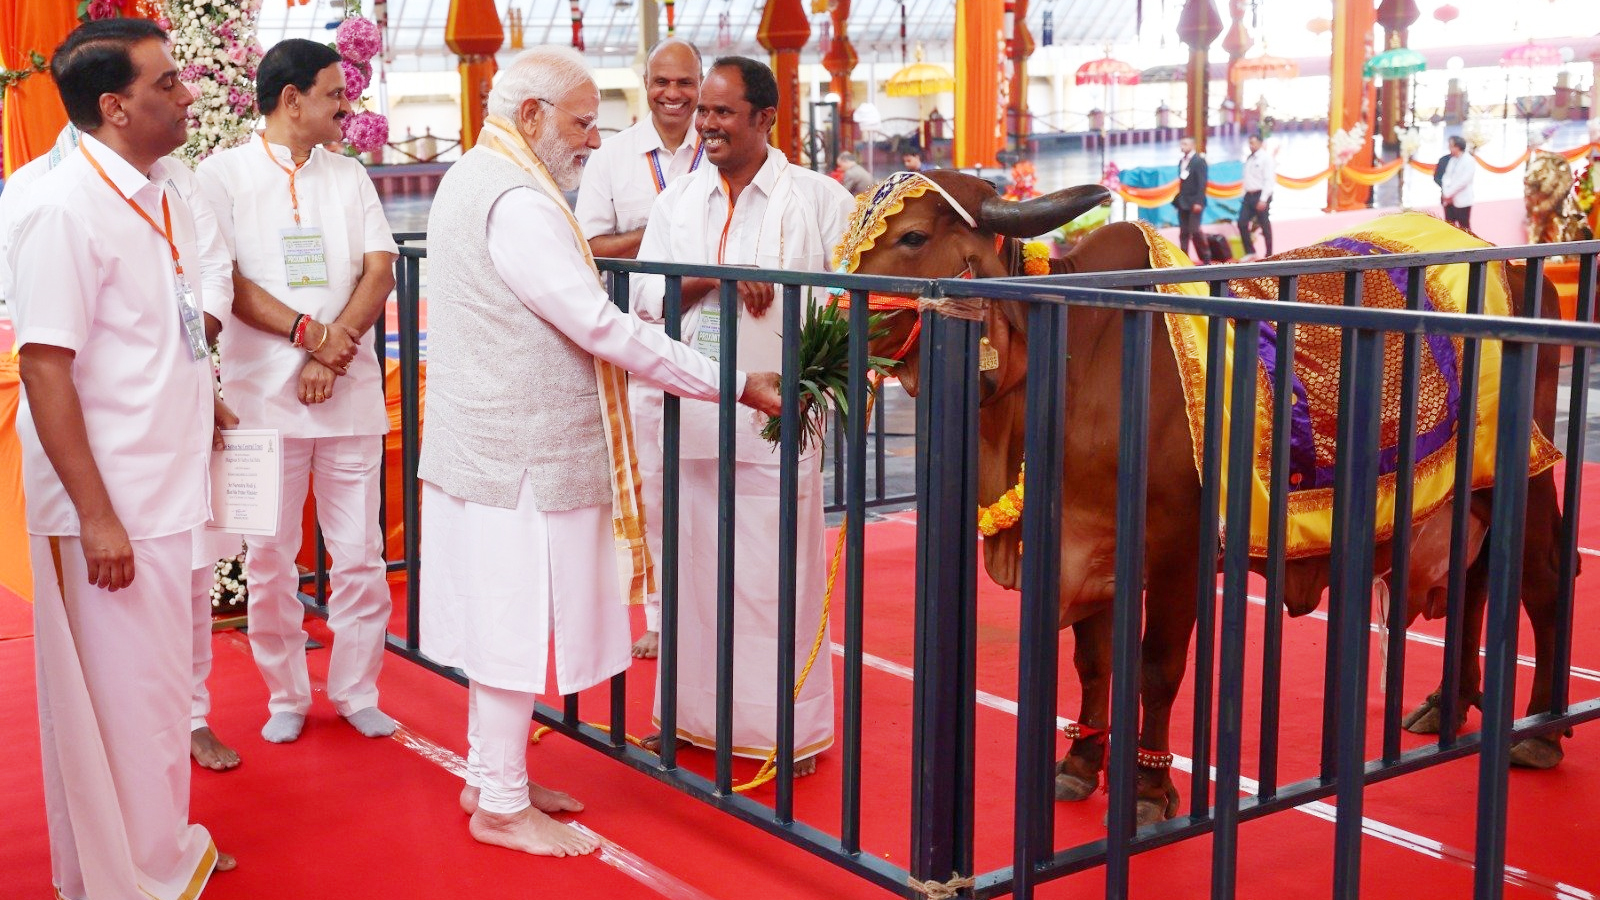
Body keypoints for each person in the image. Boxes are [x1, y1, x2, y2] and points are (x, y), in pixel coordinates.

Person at [417, 45, 782, 858]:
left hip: (489, 441)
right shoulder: (516, 200)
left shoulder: (480, 175)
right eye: (582, 123)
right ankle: (504, 804)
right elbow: (600, 326)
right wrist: (730, 381)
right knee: (510, 623)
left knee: (497, 618)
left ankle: (492, 773)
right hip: (519, 451)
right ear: (533, 116)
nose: (592, 140)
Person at [8, 18, 239, 897]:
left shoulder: (156, 188)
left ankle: (156, 855)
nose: (188, 96)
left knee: (150, 700)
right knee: (116, 708)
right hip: (111, 503)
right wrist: (97, 515)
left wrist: (201, 396)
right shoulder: (64, 205)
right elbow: (44, 365)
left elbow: (156, 334)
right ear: (114, 106)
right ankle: (120, 876)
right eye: (170, 83)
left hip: (161, 483)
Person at [631, 55, 855, 777]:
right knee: (692, 575)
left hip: (777, 424)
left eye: (723, 112)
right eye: (705, 112)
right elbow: (644, 303)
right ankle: (691, 721)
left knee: (770, 579)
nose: (707, 125)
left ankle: (781, 731)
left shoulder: (819, 201)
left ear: (766, 118)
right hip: (693, 416)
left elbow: (856, 307)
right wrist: (723, 281)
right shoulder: (678, 204)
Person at [196, 38, 399, 745]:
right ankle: (287, 692)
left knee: (360, 556)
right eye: (336, 94)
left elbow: (380, 270)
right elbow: (229, 285)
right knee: (271, 559)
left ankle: (355, 688)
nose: (348, 107)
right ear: (292, 100)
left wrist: (332, 354)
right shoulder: (221, 176)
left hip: (348, 394)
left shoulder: (347, 176)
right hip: (261, 401)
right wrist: (314, 336)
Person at [574, 36, 704, 660]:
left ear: (702, 85)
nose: (673, 94)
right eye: (662, 82)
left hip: (718, 333)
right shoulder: (615, 158)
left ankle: (717, 607)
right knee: (651, 484)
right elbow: (591, 247)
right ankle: (659, 613)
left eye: (685, 82)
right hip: (641, 341)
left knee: (717, 483)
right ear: (644, 83)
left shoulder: (726, 147)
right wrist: (664, 236)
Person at [1174, 135, 1210, 263]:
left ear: (1193, 145)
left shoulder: (1199, 161)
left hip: (1195, 202)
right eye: (1181, 144)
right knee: (1183, 232)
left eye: (1185, 144)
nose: (1182, 146)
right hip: (1183, 202)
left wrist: (1199, 202)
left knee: (1194, 230)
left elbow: (1202, 183)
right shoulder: (1181, 161)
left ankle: (1206, 256)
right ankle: (1184, 258)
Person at [1238, 133, 1275, 260]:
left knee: (1264, 225)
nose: (1250, 145)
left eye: (1253, 143)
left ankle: (1269, 252)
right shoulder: (1249, 158)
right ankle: (1250, 251)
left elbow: (1269, 180)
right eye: (1249, 143)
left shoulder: (1266, 158)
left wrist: (1263, 199)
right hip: (1248, 196)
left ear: (1260, 143)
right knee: (1242, 223)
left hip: (1260, 195)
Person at [1440, 134, 1475, 231]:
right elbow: (1446, 176)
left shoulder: (1469, 161)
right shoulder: (1452, 159)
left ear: (1457, 147)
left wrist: (1449, 193)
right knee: (1450, 226)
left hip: (1462, 200)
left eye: (1451, 146)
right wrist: (1445, 192)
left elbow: (1463, 181)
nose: (1449, 148)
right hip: (1449, 200)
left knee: (1464, 228)